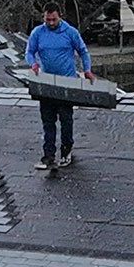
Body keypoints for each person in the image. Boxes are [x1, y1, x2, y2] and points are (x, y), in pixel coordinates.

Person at [25, 9, 90, 175]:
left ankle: (66, 149)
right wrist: (33, 64)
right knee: (48, 121)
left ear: (60, 17)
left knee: (65, 119)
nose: (51, 23)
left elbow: (83, 51)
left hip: (66, 83)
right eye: (48, 20)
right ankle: (48, 155)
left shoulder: (70, 32)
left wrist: (87, 70)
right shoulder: (38, 33)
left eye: (54, 20)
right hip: (46, 83)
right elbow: (29, 52)